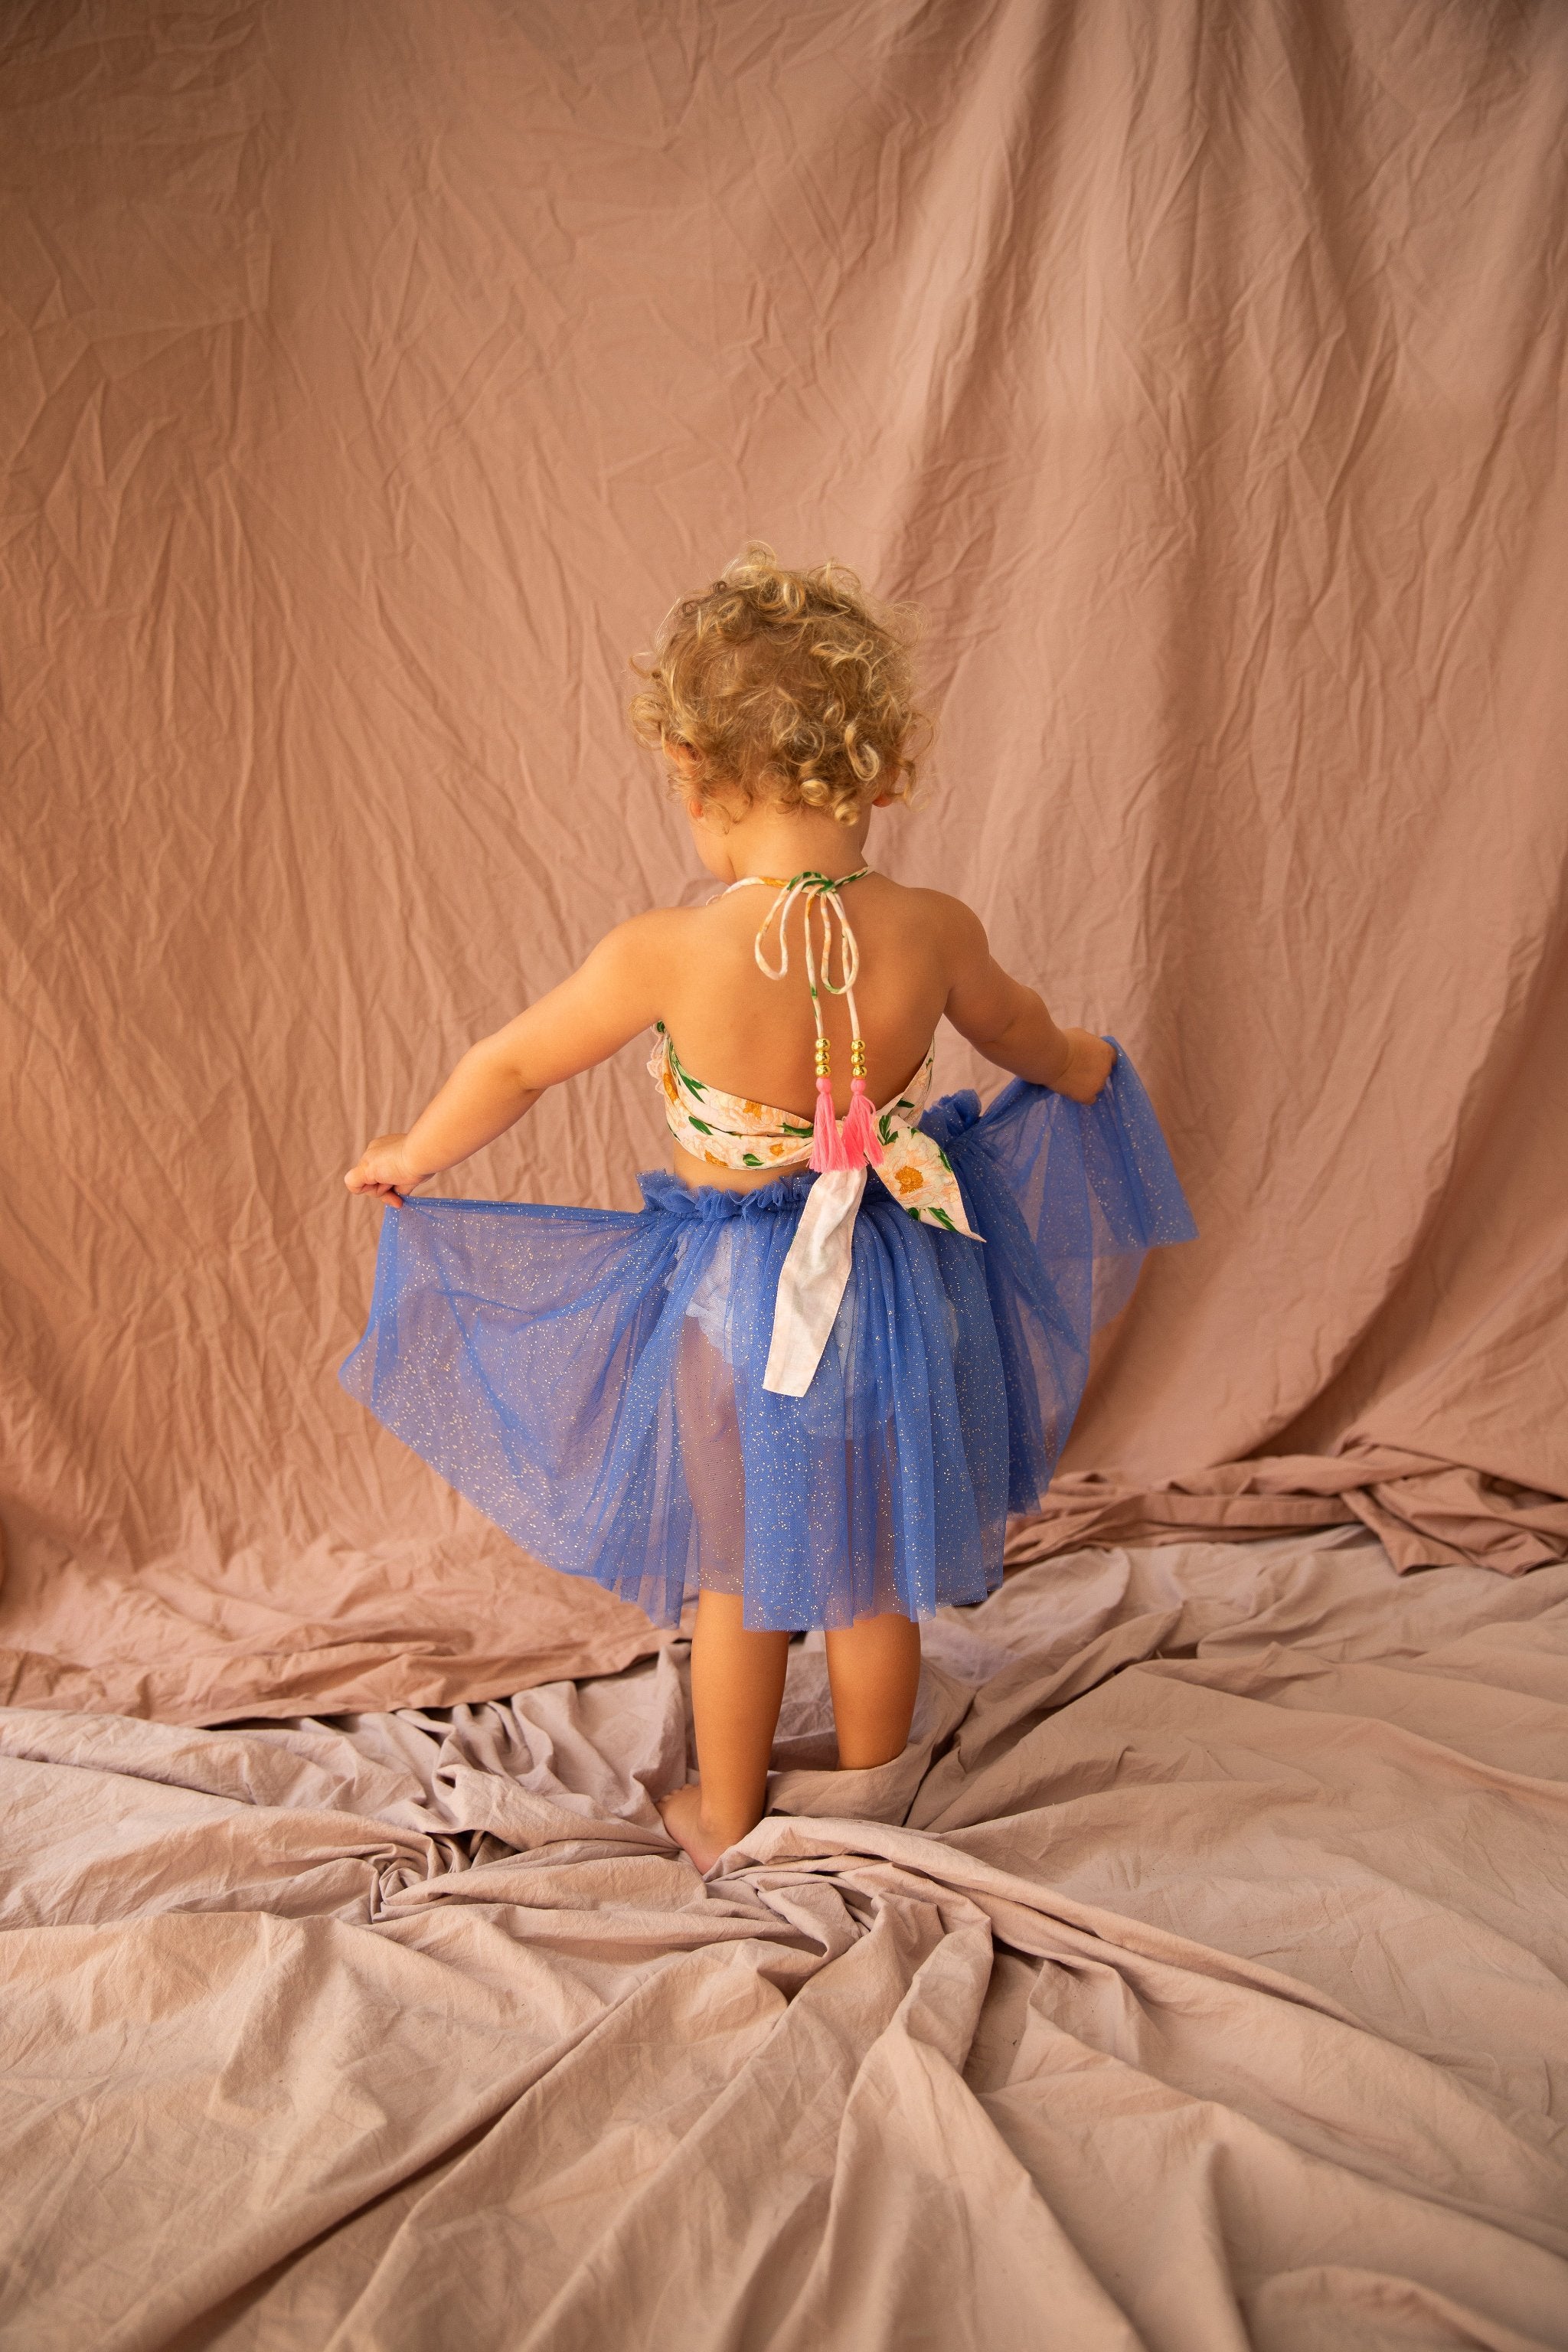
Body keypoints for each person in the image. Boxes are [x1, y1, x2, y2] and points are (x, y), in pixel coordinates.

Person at [342, 544, 1195, 1872]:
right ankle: (871, 1803)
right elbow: (1030, 1036)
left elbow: (512, 1063)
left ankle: (726, 1813)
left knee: (737, 1576)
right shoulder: (933, 927)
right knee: (877, 1563)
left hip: (743, 1310)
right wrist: (1087, 1066)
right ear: (884, 768)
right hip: (907, 1289)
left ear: (696, 779)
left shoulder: (668, 951)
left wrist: (415, 1149)